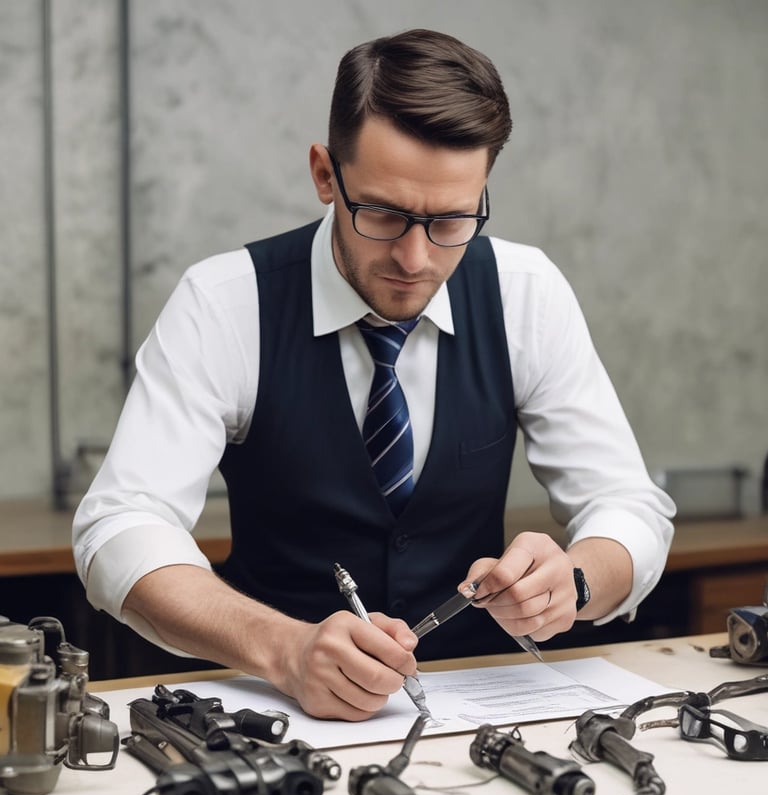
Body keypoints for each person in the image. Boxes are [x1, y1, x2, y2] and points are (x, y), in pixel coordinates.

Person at [73, 28, 675, 725]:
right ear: (325, 175)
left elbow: (628, 505)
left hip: (480, 707)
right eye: (384, 214)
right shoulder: (225, 303)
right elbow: (121, 525)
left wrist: (575, 580)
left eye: (452, 220)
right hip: (278, 715)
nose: (416, 259)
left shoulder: (525, 292)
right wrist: (284, 648)